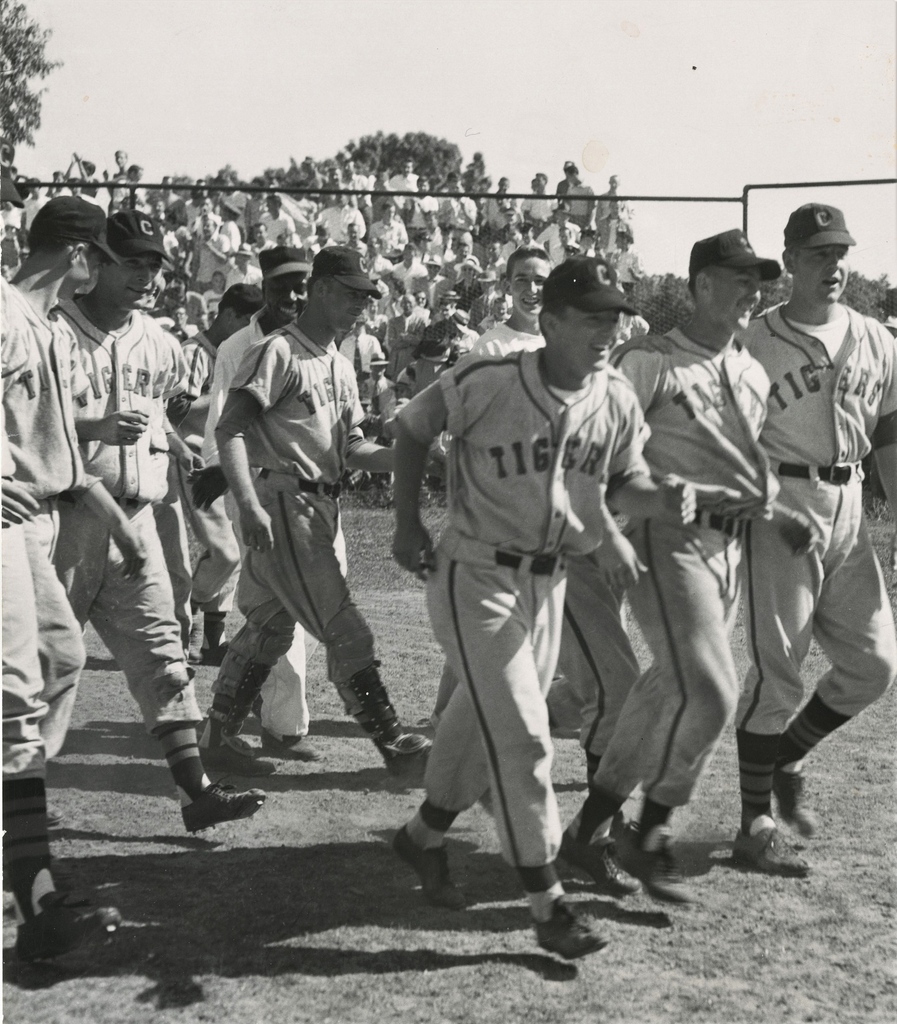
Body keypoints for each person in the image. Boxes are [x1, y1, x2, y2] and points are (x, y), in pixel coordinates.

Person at [389, 255, 700, 959]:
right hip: (475, 576)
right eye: (589, 316)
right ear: (550, 321)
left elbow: (626, 480)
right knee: (526, 739)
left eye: (612, 317)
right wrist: (406, 523)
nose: (604, 329)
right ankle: (548, 903)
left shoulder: (615, 395)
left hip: (551, 584)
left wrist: (656, 501)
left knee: (472, 729)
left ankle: (421, 837)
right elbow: (412, 428)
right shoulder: (487, 377)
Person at [567, 230, 818, 903]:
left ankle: (585, 832)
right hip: (664, 539)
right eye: (738, 279)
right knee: (712, 691)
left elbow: (745, 462)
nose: (753, 291)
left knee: (663, 695)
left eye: (758, 280)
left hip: (728, 550)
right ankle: (648, 834)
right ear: (700, 285)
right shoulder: (650, 361)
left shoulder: (747, 370)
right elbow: (602, 444)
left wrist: (774, 512)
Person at [54, 209, 266, 831]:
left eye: (152, 263)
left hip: (139, 518)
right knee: (37, 665)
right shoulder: (53, 332)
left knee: (165, 657)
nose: (145, 275)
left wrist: (186, 437)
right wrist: (89, 428)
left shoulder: (161, 342)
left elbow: (167, 413)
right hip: (63, 523)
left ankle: (196, 792)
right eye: (132, 262)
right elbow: (22, 430)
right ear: (94, 262)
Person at [200, 247, 431, 776]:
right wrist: (248, 504)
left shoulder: (339, 362)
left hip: (315, 503)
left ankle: (216, 732)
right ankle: (393, 741)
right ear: (321, 288)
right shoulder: (278, 352)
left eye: (367, 296)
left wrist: (417, 460)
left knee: (270, 626)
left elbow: (352, 448)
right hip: (285, 502)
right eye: (351, 293)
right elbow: (229, 428)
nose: (361, 305)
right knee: (344, 628)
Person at [732, 205, 897, 875]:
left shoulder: (876, 338)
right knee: (777, 673)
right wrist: (766, 508)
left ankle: (785, 757)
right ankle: (753, 826)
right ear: (791, 260)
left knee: (872, 665)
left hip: (849, 505)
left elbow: (887, 435)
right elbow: (730, 445)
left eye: (840, 253)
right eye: (819, 254)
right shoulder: (754, 342)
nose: (833, 266)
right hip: (781, 503)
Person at [192, 247, 323, 769]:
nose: (293, 296)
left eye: (301, 286)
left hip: (310, 493)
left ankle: (251, 717)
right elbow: (222, 416)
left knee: (299, 614)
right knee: (278, 610)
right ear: (264, 286)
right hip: (259, 490)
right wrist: (219, 471)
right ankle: (275, 727)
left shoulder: (313, 342)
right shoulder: (239, 344)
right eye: (283, 286)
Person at [163, 285, 265, 666]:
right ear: (230, 316)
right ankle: (185, 612)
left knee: (234, 552)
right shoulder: (196, 352)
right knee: (225, 553)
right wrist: (230, 391)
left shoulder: (240, 353)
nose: (252, 329)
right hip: (193, 460)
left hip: (229, 461)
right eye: (247, 319)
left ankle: (211, 639)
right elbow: (178, 412)